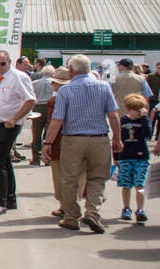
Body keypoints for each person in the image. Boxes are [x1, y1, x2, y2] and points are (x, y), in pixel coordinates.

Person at [41, 54, 123, 233]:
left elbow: (57, 119)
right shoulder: (103, 87)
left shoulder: (66, 90)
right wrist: (117, 138)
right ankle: (92, 212)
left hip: (73, 139)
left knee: (69, 179)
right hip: (99, 138)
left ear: (71, 70)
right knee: (98, 177)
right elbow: (113, 115)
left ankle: (71, 217)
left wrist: (48, 142)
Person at [0, 51, 36, 214]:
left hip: (8, 125)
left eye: (2, 64)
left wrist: (14, 119)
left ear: (9, 62)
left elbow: (30, 100)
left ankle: (1, 202)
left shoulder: (18, 77)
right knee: (4, 161)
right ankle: (10, 199)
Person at [44, 67, 84, 220]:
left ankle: (65, 206)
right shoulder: (81, 98)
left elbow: (53, 122)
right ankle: (73, 204)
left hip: (59, 140)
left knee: (60, 174)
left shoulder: (54, 101)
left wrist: (47, 142)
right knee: (77, 173)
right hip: (80, 140)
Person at [117, 93, 152, 223]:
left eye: (141, 109)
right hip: (125, 156)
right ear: (128, 109)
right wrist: (116, 156)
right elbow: (118, 138)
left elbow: (148, 134)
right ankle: (126, 208)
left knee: (139, 183)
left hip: (141, 157)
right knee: (126, 184)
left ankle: (140, 209)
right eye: (136, 109)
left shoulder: (143, 120)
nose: (139, 112)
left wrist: (144, 118)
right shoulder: (123, 121)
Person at [29, 64, 56, 165]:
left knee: (36, 133)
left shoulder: (35, 83)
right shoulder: (53, 83)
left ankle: (36, 158)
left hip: (37, 107)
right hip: (50, 107)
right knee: (49, 133)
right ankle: (48, 158)